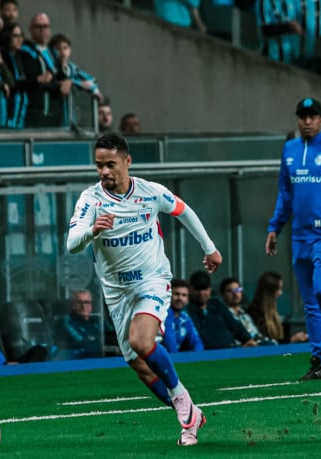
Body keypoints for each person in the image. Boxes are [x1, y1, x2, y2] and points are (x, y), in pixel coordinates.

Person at [66, 133, 222, 446]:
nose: (104, 172)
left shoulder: (150, 192)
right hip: (116, 291)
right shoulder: (90, 200)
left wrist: (210, 248)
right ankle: (192, 416)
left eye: (111, 164)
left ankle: (180, 397)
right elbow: (71, 244)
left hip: (152, 279)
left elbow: (183, 210)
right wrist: (92, 231)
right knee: (139, 365)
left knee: (141, 340)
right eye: (99, 166)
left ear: (127, 162)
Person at [265, 97, 321, 380]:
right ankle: (318, 360)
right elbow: (285, 192)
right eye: (302, 116)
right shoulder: (290, 150)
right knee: (310, 302)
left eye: (312, 116)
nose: (307, 121)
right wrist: (275, 226)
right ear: (297, 119)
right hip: (300, 237)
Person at [186, 270, 256, 349]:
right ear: (190, 289)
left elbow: (235, 325)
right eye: (197, 289)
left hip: (233, 351)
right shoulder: (186, 312)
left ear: (210, 289)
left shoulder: (217, 305)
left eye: (204, 288)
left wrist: (248, 340)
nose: (201, 292)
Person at [246, 271, 308, 344]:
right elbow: (266, 342)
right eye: (278, 289)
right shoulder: (254, 313)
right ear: (269, 292)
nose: (280, 293)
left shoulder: (271, 313)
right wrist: (292, 339)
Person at [218, 276, 269, 345]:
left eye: (237, 290)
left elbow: (256, 334)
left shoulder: (245, 315)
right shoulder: (222, 317)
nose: (235, 294)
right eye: (230, 291)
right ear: (223, 295)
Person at [56, 290, 103, 359]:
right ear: (72, 305)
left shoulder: (97, 321)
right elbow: (85, 344)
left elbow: (113, 338)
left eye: (86, 302)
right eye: (79, 303)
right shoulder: (67, 322)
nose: (83, 306)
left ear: (91, 305)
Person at [162, 278, 204, 353]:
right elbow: (169, 342)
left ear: (188, 299)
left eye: (184, 295)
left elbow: (196, 342)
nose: (180, 298)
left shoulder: (184, 317)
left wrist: (199, 357)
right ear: (169, 295)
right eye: (176, 294)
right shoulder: (164, 313)